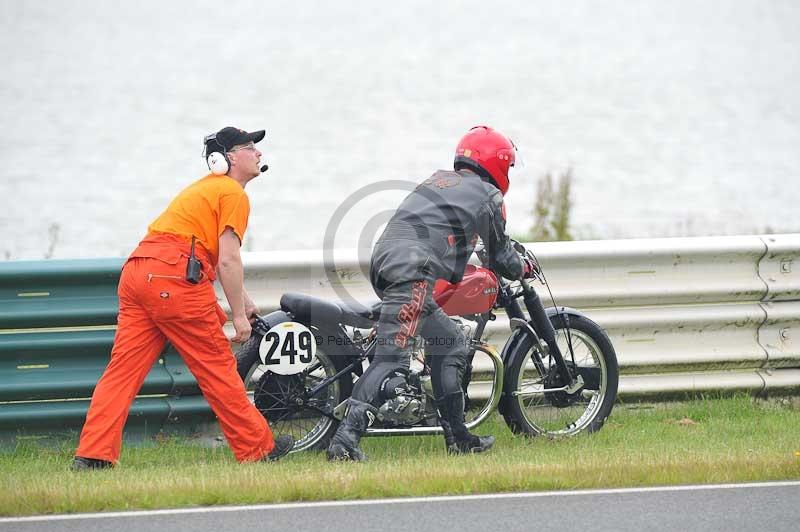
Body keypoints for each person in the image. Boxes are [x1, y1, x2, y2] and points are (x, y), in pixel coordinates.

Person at [72, 126, 294, 470]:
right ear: (229, 158)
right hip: (173, 278)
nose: (259, 153)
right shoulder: (233, 194)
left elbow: (208, 252)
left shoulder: (204, 189)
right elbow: (228, 258)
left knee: (122, 372)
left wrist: (244, 299)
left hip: (138, 273)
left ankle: (93, 455)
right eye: (250, 147)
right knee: (217, 367)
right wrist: (237, 316)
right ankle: (258, 449)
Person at [327, 125, 539, 461]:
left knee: (452, 341)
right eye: (508, 165)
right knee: (391, 359)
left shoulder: (438, 180)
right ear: (496, 163)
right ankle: (344, 443)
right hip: (413, 269)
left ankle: (458, 438)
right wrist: (522, 268)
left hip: (385, 260)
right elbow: (502, 258)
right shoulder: (488, 196)